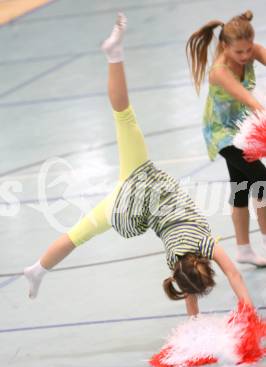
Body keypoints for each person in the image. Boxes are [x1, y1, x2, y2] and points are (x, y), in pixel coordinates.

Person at [24, 13, 253, 316]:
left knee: (124, 117)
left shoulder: (203, 246)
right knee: (78, 234)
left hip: (138, 186)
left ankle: (114, 54)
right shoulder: (177, 261)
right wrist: (211, 322)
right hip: (125, 212)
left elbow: (232, 275)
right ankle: (38, 269)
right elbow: (197, 285)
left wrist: (249, 311)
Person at [186, 10, 266, 267]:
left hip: (241, 127)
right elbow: (251, 102)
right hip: (222, 133)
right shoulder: (219, 71)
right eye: (238, 52)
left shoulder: (252, 51)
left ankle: (243, 249)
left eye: (248, 50)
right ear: (224, 46)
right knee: (262, 180)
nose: (245, 56)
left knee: (241, 186)